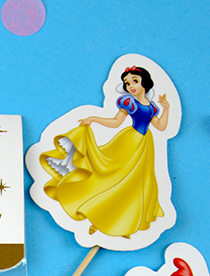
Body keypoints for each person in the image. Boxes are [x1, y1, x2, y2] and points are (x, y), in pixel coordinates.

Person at [39, 66, 171, 238]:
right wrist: (93, 118)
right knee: (114, 178)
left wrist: (166, 108)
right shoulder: (129, 103)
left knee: (137, 183)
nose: (130, 86)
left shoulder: (152, 107)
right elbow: (116, 122)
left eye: (134, 81)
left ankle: (123, 223)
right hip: (130, 143)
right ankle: (97, 216)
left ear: (144, 82)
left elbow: (161, 126)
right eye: (127, 83)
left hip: (145, 145)